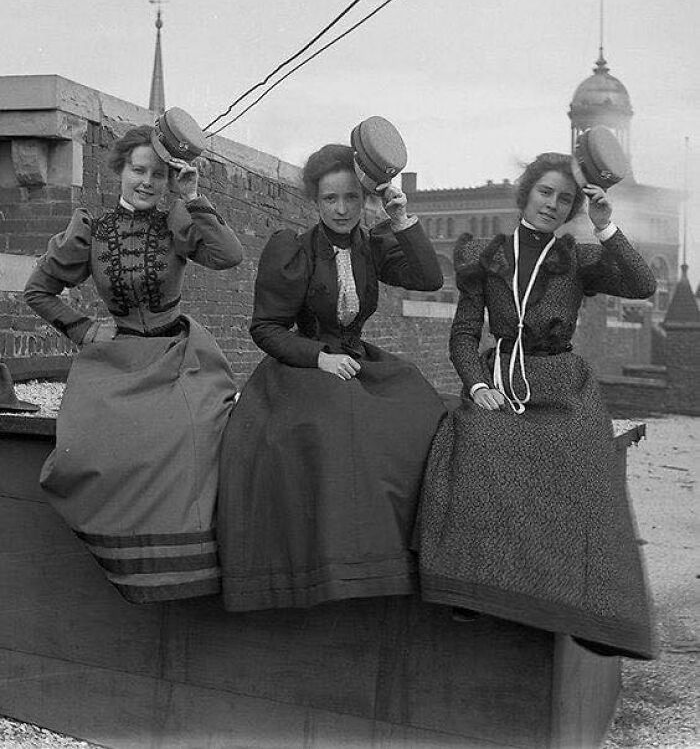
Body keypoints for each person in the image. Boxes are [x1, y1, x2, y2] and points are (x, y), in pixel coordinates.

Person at [415, 152, 658, 659]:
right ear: (526, 194)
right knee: (477, 441)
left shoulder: (578, 258)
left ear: (572, 209)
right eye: (545, 192)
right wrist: (476, 385)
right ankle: (473, 587)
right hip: (501, 377)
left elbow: (642, 285)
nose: (552, 204)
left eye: (564, 199)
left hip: (563, 384)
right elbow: (464, 334)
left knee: (585, 458)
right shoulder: (485, 256)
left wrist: (605, 226)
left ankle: (588, 606)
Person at [217, 142, 446, 611]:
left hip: (357, 359)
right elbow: (265, 328)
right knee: (337, 422)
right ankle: (335, 562)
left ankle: (398, 553)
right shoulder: (293, 249)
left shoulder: (373, 245)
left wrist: (401, 219)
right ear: (315, 200)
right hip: (303, 366)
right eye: (330, 199)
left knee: (421, 411)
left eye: (351, 198)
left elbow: (429, 279)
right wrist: (319, 358)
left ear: (365, 199)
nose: (341, 209)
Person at [24, 123, 244, 604]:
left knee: (195, 432)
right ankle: (127, 558)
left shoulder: (176, 223)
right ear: (120, 170)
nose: (147, 182)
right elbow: (38, 291)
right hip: (116, 360)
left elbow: (229, 256)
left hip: (179, 357)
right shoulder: (92, 230)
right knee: (85, 450)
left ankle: (192, 561)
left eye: (158, 175)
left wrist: (193, 197)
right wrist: (83, 330)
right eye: (138, 170)